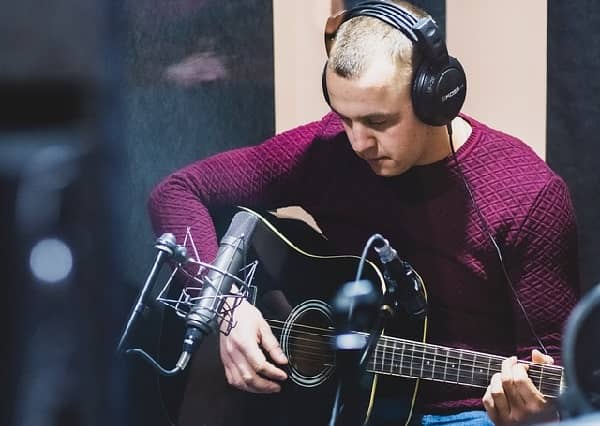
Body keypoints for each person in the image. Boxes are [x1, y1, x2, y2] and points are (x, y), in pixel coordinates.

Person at [147, 1, 580, 424]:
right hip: (336, 401)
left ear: (435, 100)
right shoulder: (329, 150)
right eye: (345, 118)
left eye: (378, 122)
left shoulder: (528, 195)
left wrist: (535, 412)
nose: (357, 143)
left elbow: (555, 375)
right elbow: (178, 192)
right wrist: (227, 308)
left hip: (462, 412)